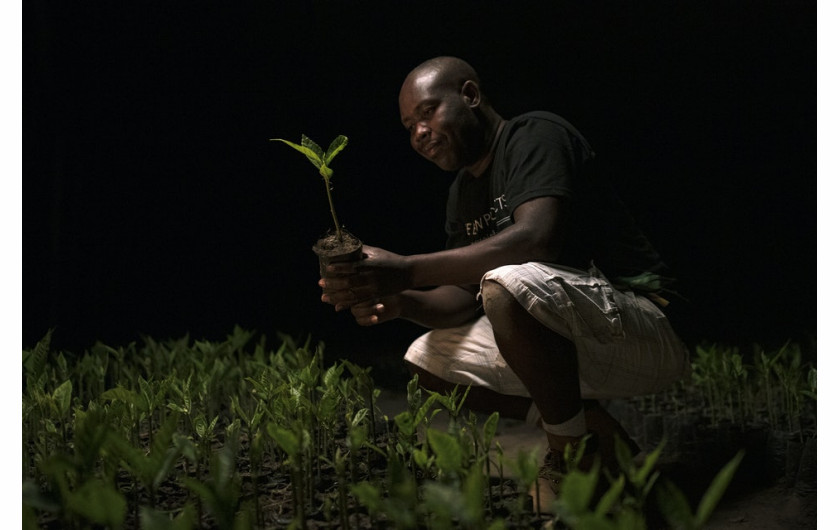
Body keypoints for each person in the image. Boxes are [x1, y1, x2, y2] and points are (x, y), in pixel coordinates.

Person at [319, 56, 690, 499]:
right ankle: (590, 430)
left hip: (645, 328)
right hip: (573, 339)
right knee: (427, 361)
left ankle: (569, 453)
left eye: (427, 112)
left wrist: (406, 268)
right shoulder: (463, 191)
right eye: (407, 126)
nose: (418, 133)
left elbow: (537, 240)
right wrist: (400, 298)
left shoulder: (535, 135)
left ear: (471, 96)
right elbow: (461, 299)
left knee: (506, 281)